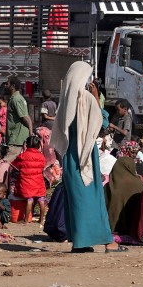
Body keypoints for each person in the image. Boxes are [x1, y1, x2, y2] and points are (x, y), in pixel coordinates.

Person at [49, 61, 114, 252]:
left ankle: (80, 242)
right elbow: (102, 124)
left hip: (70, 156)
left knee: (75, 199)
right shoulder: (86, 98)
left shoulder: (65, 100)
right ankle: (106, 241)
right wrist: (96, 98)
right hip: (85, 155)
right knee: (91, 197)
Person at [11, 134, 47, 222]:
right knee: (41, 200)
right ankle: (41, 219)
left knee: (29, 200)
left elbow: (15, 164)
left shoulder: (23, 156)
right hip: (38, 181)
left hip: (27, 182)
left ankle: (26, 220)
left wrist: (23, 150)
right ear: (38, 145)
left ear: (26, 144)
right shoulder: (41, 156)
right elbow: (43, 165)